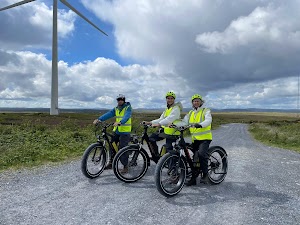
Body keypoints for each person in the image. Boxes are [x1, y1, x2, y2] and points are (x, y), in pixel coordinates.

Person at [176, 94, 212, 186]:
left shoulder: (205, 111)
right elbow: (184, 122)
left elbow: (208, 120)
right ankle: (193, 178)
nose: (196, 102)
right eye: (194, 101)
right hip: (195, 139)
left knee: (201, 154)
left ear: (201, 102)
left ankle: (205, 175)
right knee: (193, 158)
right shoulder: (191, 113)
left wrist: (200, 124)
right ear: (192, 103)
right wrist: (175, 124)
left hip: (205, 138)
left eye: (197, 101)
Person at [93, 94, 132, 173]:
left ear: (124, 100)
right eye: (118, 99)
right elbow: (109, 114)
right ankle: (111, 163)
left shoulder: (128, 107)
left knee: (122, 148)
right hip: (117, 130)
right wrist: (99, 119)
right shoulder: (116, 108)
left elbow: (127, 116)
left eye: (121, 99)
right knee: (111, 145)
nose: (119, 101)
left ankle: (125, 167)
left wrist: (120, 122)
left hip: (125, 131)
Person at [143, 91, 183, 162]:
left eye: (171, 98)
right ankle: (157, 156)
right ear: (166, 99)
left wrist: (159, 124)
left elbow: (170, 118)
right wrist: (150, 122)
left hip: (173, 132)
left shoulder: (176, 108)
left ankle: (172, 167)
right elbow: (161, 118)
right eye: (168, 98)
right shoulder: (167, 109)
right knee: (152, 138)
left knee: (169, 150)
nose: (170, 100)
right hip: (166, 131)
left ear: (174, 100)